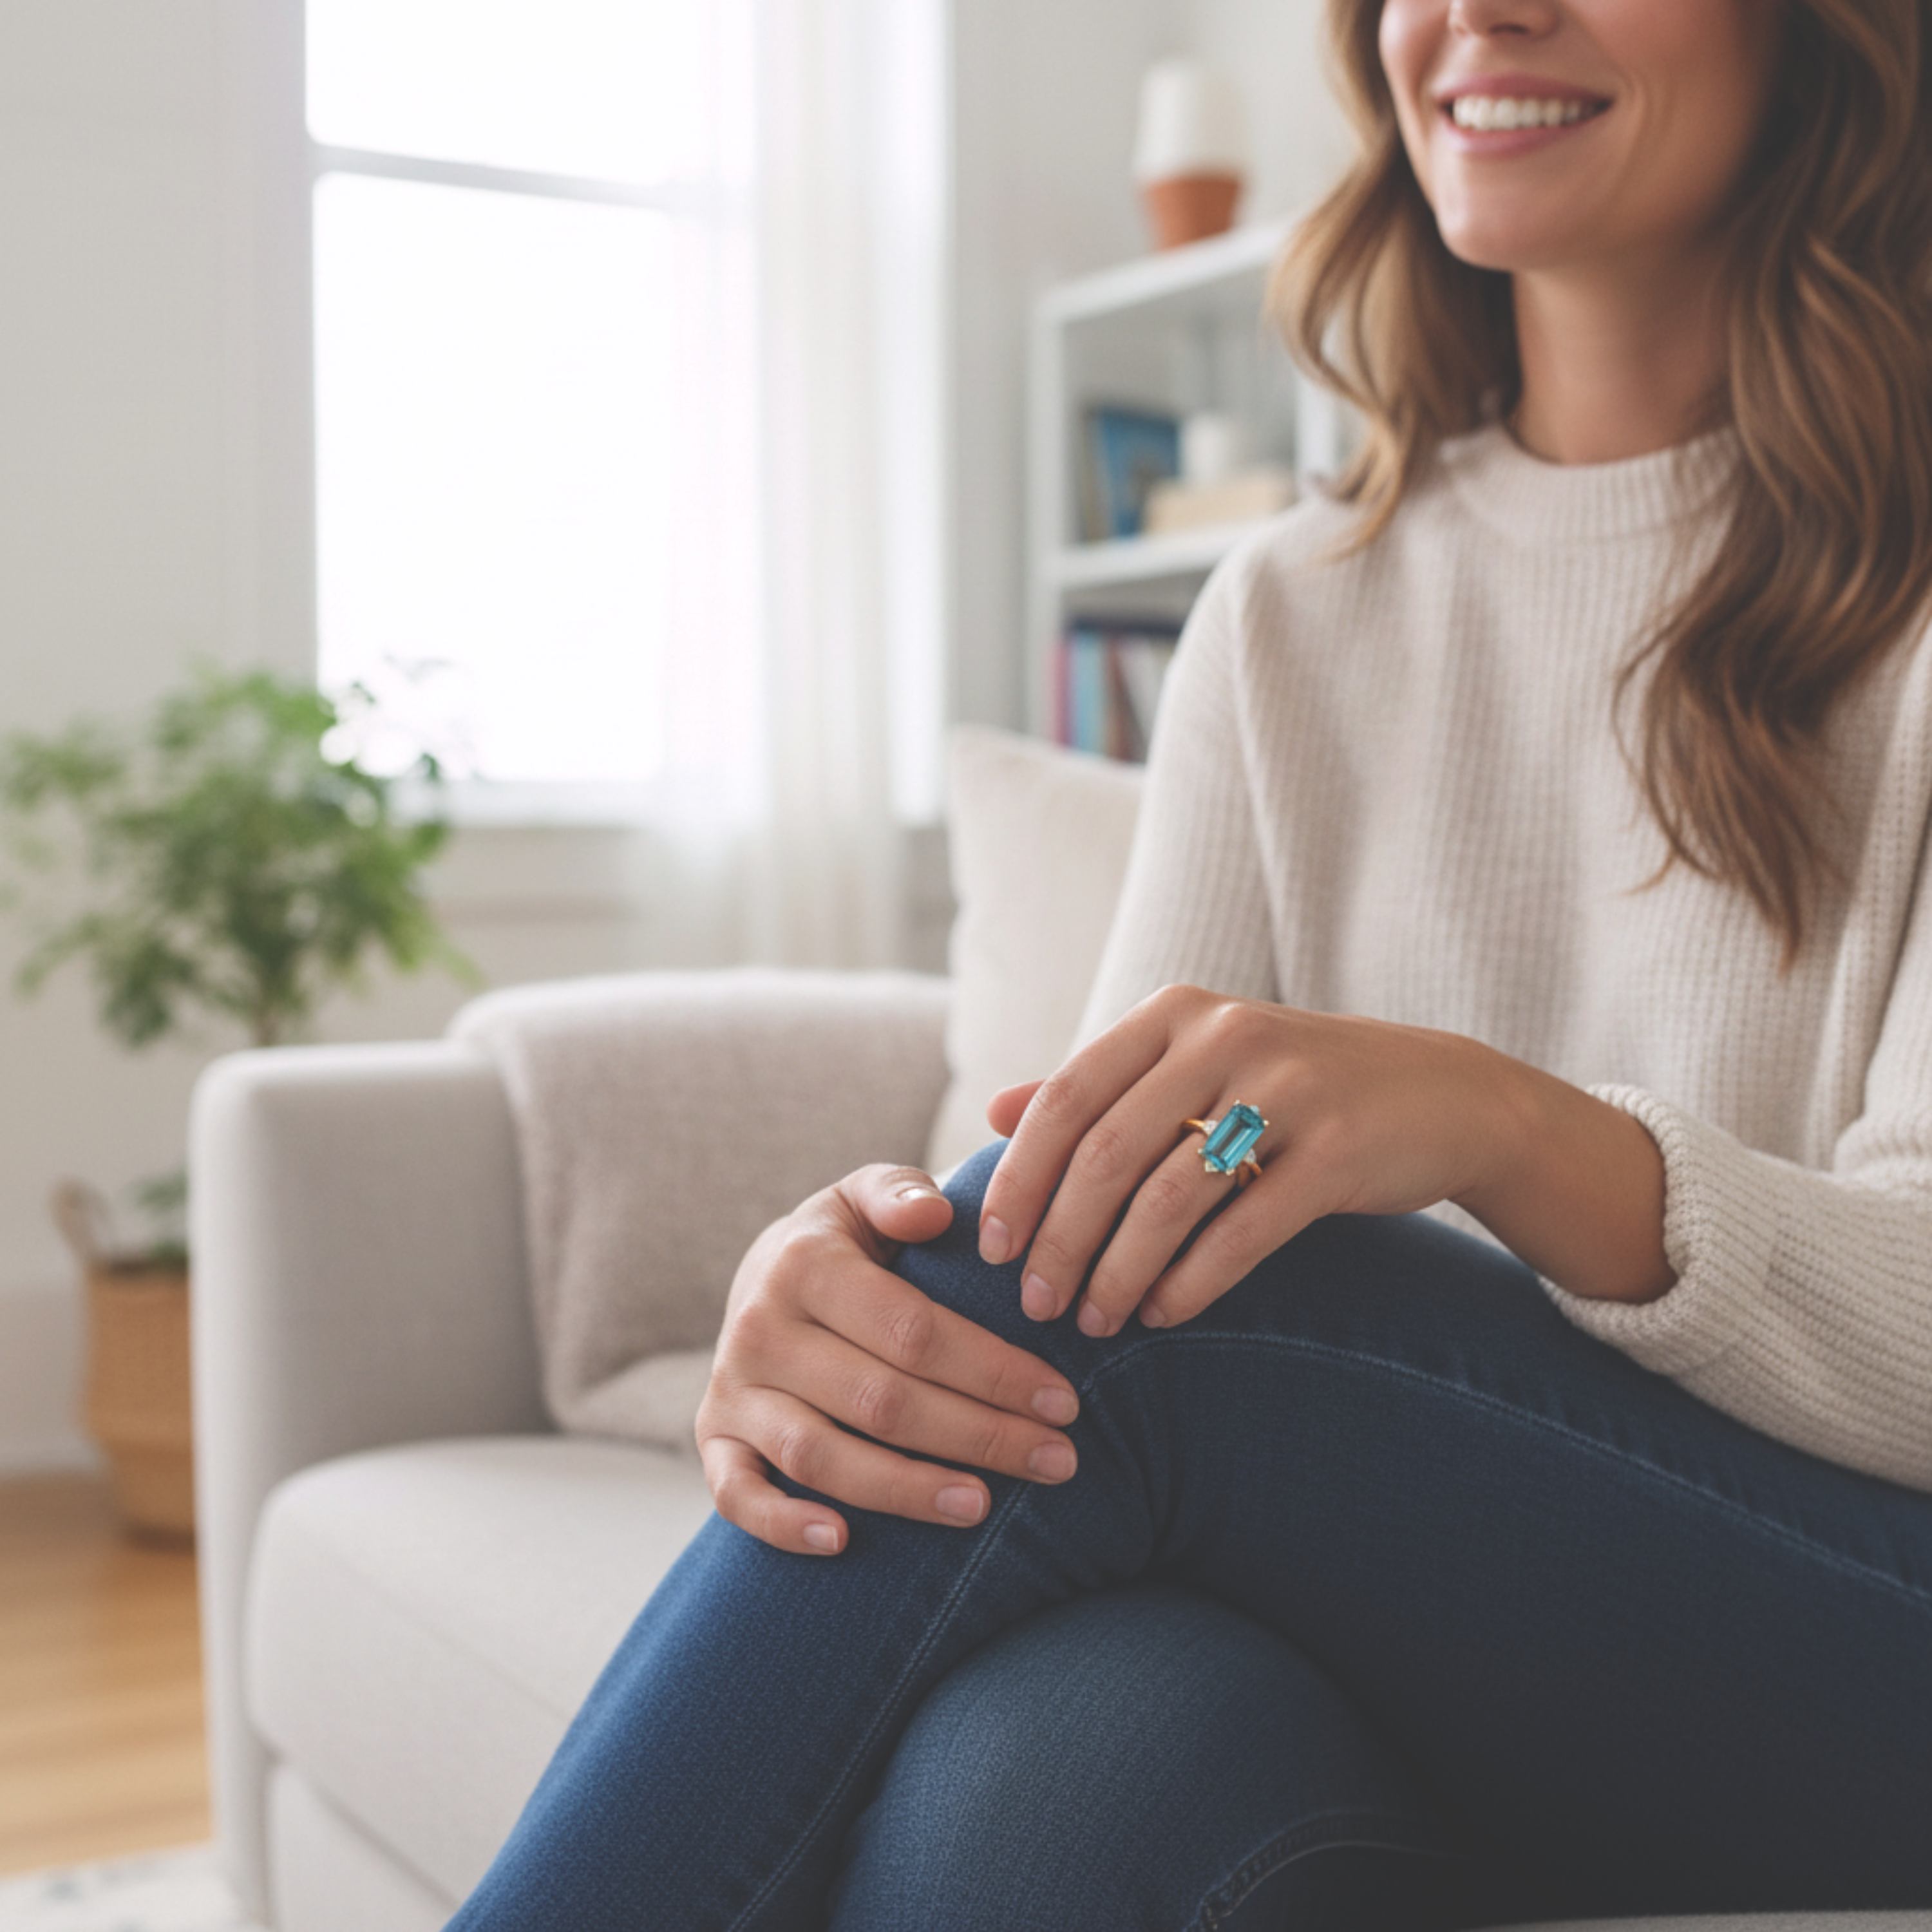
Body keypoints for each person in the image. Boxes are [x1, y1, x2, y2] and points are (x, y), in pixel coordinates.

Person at [448, 0, 1932, 1925]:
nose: (1480, 11)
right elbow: (1089, 1223)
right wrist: (858, 1318)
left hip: (1854, 1621)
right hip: (1434, 1650)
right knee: (1036, 1766)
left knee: (1126, 1308)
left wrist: (1499, 1128)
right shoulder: (1294, 613)